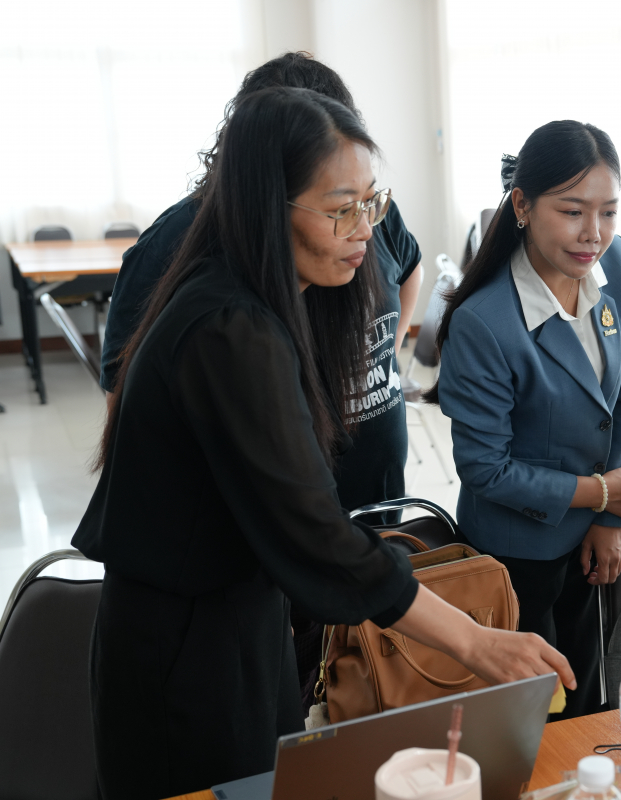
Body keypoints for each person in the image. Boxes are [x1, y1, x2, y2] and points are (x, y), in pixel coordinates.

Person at [73, 87, 573, 800]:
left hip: (241, 620)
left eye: (372, 202)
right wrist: (474, 640)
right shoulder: (228, 330)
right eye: (341, 209)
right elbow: (316, 533)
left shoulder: (269, 303)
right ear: (266, 207)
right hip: (184, 652)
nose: (365, 228)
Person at [100, 52, 422, 515]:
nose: (363, 227)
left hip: (373, 494)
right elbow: (127, 394)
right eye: (338, 205)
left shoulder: (363, 210)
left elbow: (410, 268)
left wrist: (381, 356)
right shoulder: (189, 259)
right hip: (272, 516)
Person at [426, 121, 621, 718]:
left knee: (588, 695)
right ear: (522, 205)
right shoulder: (484, 322)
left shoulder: (617, 263)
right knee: (533, 714)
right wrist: (599, 493)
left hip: (592, 534)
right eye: (573, 212)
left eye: (608, 212)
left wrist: (610, 517)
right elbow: (486, 469)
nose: (593, 233)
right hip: (517, 550)